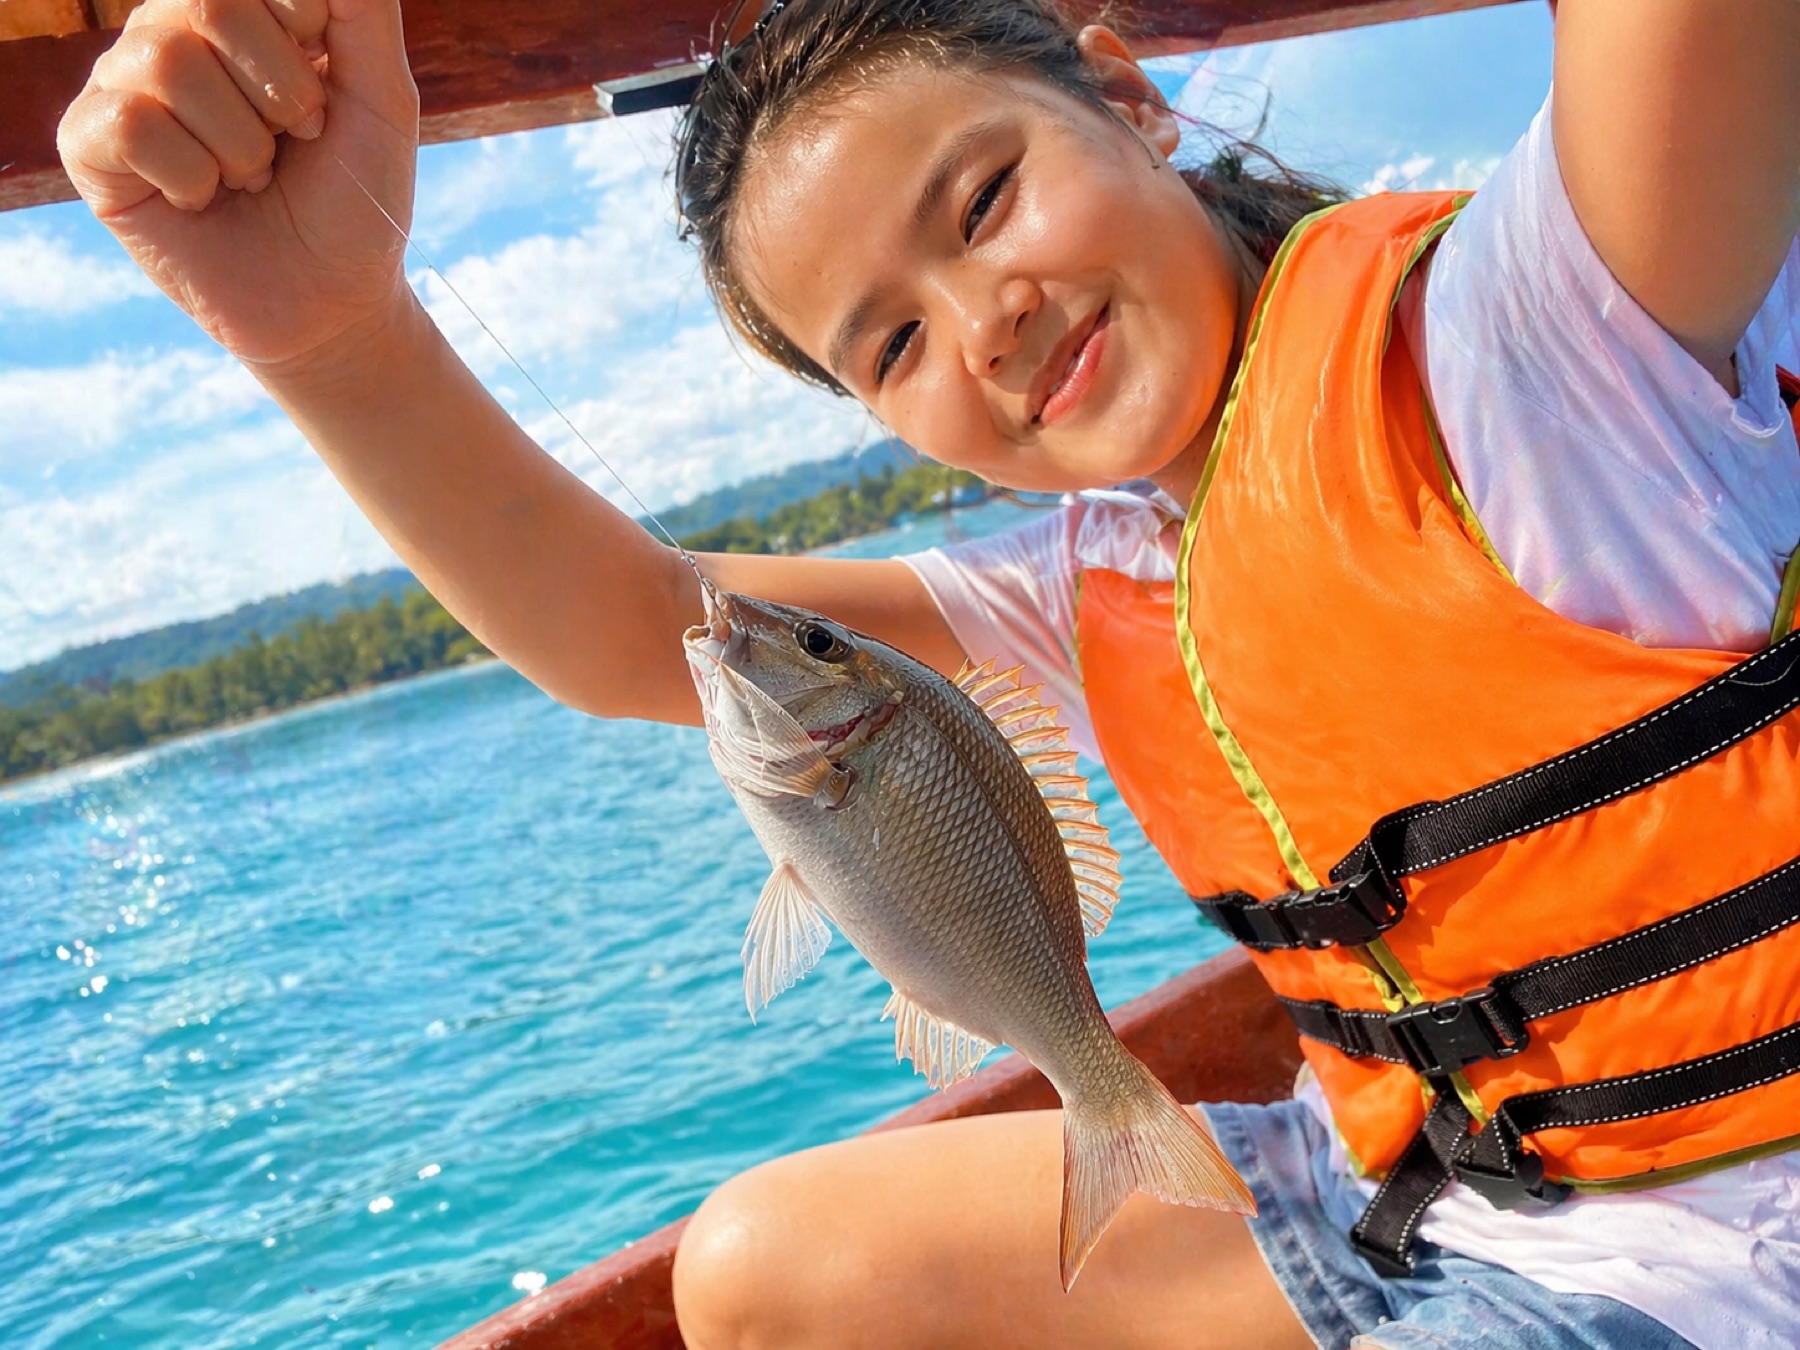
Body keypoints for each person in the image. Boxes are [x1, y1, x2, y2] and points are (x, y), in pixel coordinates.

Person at [55, 0, 1800, 1345]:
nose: (986, 321)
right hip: (1417, 1186)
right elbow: (625, 621)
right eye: (890, 341)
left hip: (1720, 1257)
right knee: (756, 1267)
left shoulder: (1541, 348)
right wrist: (327, 335)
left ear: (1127, 94)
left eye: (983, 199)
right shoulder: (1085, 576)